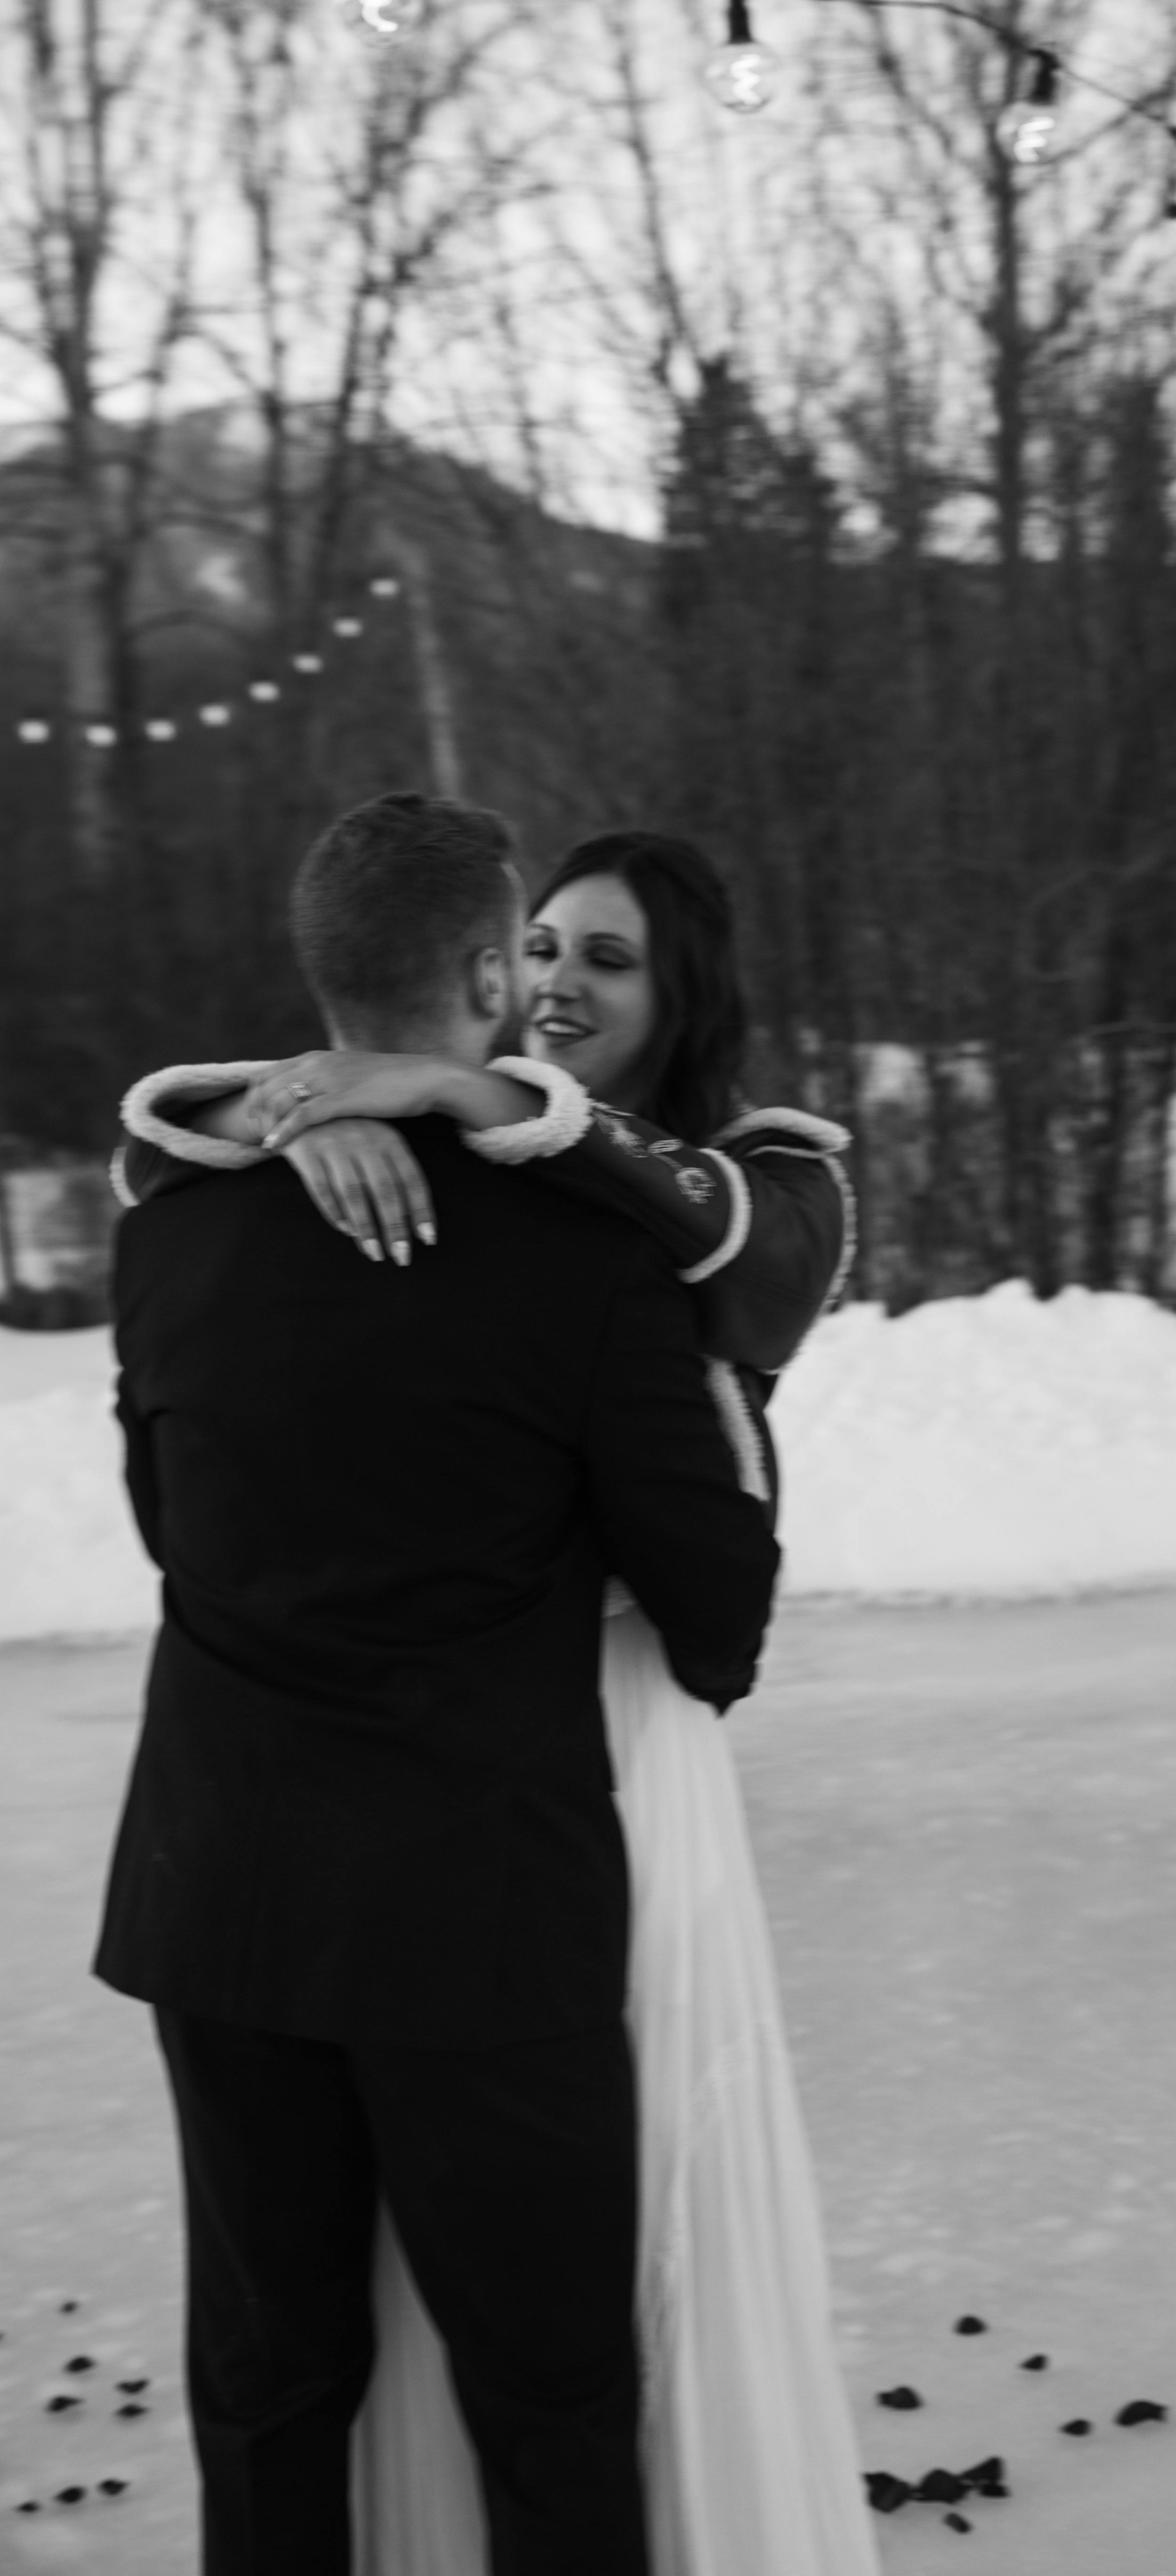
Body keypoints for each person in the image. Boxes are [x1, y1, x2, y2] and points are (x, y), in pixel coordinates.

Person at [116, 817, 882, 2576]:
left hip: (225, 1883)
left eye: (607, 959)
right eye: (540, 949)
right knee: (547, 2396)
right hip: (487, 1874)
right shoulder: (575, 1264)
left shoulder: (178, 1235)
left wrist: (400, 1110)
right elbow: (718, 1604)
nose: (559, 984)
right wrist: (325, 1115)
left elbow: (176, 1518)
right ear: (486, 967)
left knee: (271, 2380)